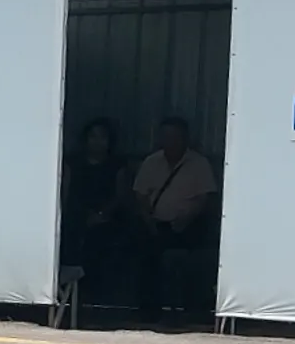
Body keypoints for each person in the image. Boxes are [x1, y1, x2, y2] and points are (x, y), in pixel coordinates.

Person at [129, 117, 218, 319]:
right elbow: (140, 195)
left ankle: (193, 309)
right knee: (145, 255)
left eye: (175, 137)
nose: (171, 141)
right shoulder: (151, 162)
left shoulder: (199, 163)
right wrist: (149, 221)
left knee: (195, 260)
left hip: (190, 225)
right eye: (166, 136)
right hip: (155, 224)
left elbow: (205, 198)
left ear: (185, 138)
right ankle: (148, 309)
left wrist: (186, 219)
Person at [60, 117, 128, 284]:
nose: (98, 142)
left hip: (107, 216)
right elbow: (65, 194)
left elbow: (120, 196)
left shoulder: (117, 165)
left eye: (103, 137)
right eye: (93, 137)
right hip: (76, 214)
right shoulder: (72, 163)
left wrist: (101, 213)